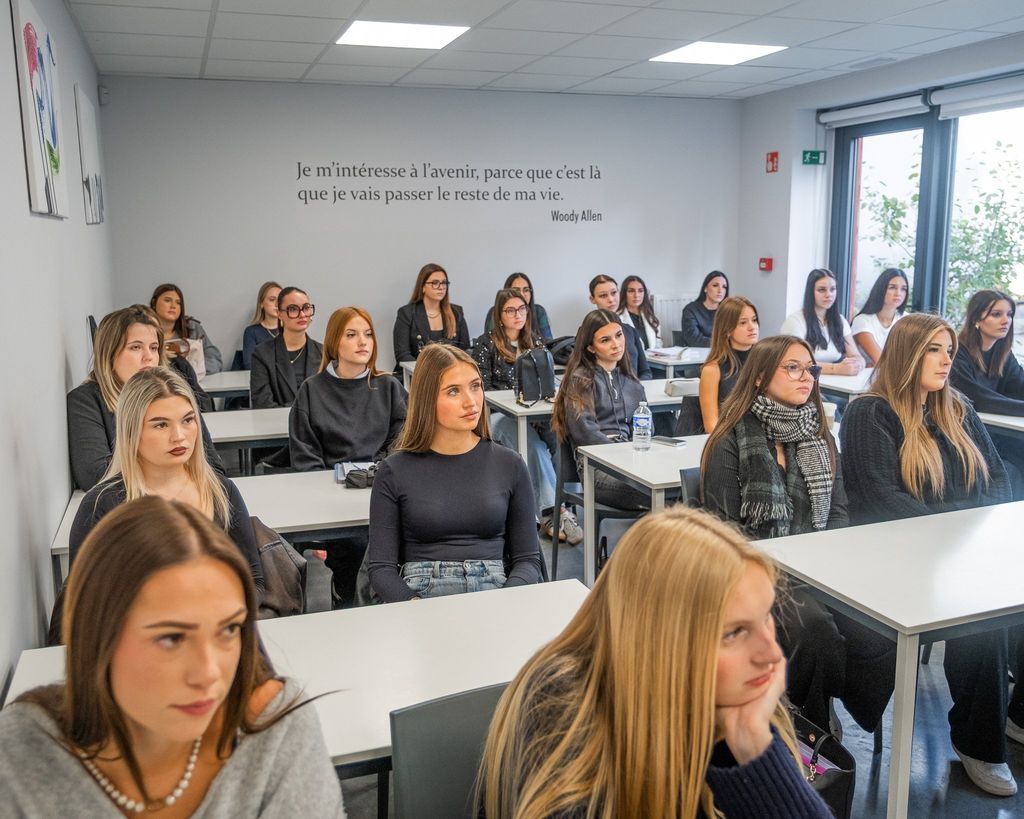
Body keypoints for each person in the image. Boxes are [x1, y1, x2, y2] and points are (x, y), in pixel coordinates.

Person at [478, 505, 832, 819]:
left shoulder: (741, 699)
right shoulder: (565, 712)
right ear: (661, 642)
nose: (772, 654)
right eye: (734, 633)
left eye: (766, 616)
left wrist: (753, 746)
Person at [0, 496, 345, 816]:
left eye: (228, 629)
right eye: (171, 638)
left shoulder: (279, 728)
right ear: (97, 635)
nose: (209, 673)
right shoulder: (21, 755)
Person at [842, 313, 1021, 796]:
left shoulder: (956, 408)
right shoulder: (870, 413)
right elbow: (884, 501)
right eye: (933, 351)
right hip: (898, 561)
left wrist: (965, 534)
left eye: (949, 351)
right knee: (985, 617)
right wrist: (964, 528)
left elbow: (998, 481)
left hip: (960, 555)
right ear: (906, 355)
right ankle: (981, 744)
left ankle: (1017, 716)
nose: (946, 361)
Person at [699, 336, 880, 734]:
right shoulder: (730, 439)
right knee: (815, 630)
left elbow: (838, 512)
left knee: (878, 634)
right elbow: (726, 533)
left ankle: (821, 692)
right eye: (792, 368)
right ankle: (810, 723)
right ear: (760, 377)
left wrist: (829, 563)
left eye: (810, 369)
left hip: (819, 567)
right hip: (755, 574)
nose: (806, 377)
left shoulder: (819, 435)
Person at [367, 344, 543, 603]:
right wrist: (415, 608)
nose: (470, 401)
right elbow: (381, 569)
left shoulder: (511, 464)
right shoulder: (394, 471)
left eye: (475, 386)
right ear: (427, 399)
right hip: (421, 597)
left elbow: (528, 560)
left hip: (495, 593)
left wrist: (503, 604)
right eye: (453, 391)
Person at [68, 367, 263, 599]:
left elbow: (254, 580)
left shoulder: (220, 491)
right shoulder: (101, 506)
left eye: (188, 420)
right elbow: (84, 603)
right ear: (131, 432)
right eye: (161, 425)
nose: (179, 436)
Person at [290, 307, 407, 607]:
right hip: (332, 496)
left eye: (368, 334)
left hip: (381, 487)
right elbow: (305, 455)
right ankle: (348, 602)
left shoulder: (389, 387)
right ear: (334, 342)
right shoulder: (312, 391)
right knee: (354, 547)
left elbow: (402, 440)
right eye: (352, 335)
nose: (363, 342)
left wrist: (378, 472)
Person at [67, 305, 223, 491]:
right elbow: (95, 475)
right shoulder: (86, 400)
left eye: (154, 348)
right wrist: (171, 473)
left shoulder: (172, 394)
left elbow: (212, 466)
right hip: (134, 504)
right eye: (135, 347)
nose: (148, 357)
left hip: (188, 496)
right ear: (109, 354)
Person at [473, 289, 579, 545]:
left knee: (560, 438)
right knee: (534, 446)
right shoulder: (486, 344)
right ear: (499, 316)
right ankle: (552, 512)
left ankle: (567, 504)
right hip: (498, 415)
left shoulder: (536, 342)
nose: (518, 315)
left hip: (534, 415)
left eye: (522, 309)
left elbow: (548, 381)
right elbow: (482, 388)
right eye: (510, 310)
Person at [551, 309, 649, 510]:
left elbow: (645, 428)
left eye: (619, 335)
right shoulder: (580, 380)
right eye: (605, 340)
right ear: (591, 347)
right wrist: (622, 454)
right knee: (659, 492)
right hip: (596, 467)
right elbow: (585, 433)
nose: (616, 344)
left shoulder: (632, 382)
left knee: (678, 485)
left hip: (631, 460)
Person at [951, 290, 1024, 496]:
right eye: (996, 314)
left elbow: (1019, 386)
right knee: (1013, 465)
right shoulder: (957, 352)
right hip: (965, 433)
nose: (1006, 320)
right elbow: (978, 399)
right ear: (976, 318)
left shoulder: (1003, 354)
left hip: (995, 431)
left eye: (1009, 314)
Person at [250, 286, 323, 409]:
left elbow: (329, 399)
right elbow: (262, 403)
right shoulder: (262, 354)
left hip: (316, 421)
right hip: (276, 420)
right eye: (293, 309)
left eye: (306, 308)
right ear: (279, 314)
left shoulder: (323, 352)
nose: (302, 315)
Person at [781, 269, 864, 376]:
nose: (828, 294)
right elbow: (795, 362)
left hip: (834, 381)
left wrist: (858, 363)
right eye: (821, 290)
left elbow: (855, 355)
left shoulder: (840, 320)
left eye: (832, 289)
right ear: (811, 293)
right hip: (802, 380)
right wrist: (836, 369)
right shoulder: (795, 321)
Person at [698, 296, 759, 432]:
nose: (752, 327)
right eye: (743, 323)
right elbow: (711, 426)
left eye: (754, 320)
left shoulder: (765, 363)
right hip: (729, 438)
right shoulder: (712, 370)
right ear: (727, 330)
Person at [392, 263, 471, 364]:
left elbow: (465, 351)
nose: (441, 287)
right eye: (435, 283)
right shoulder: (406, 313)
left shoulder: (456, 312)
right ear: (423, 287)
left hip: (450, 371)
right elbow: (402, 355)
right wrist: (428, 371)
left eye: (444, 283)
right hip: (416, 371)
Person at [150, 283, 223, 377]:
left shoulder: (193, 328)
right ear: (154, 303)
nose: (173, 306)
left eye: (178, 303)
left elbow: (215, 361)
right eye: (167, 300)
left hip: (193, 382)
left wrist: (188, 369)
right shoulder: (144, 330)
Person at [587, 275, 652, 379]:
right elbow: (585, 372)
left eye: (614, 293)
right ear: (592, 299)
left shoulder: (630, 330)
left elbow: (645, 371)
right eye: (603, 295)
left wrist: (638, 384)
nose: (611, 299)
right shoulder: (587, 332)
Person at [850, 268, 909, 365]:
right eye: (892, 287)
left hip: (895, 373)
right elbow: (881, 361)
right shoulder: (862, 321)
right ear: (881, 289)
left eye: (903, 289)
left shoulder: (906, 319)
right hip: (867, 375)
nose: (898, 293)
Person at [483, 272, 553, 341]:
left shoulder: (538, 311)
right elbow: (489, 341)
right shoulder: (494, 312)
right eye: (516, 290)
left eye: (526, 290)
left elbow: (549, 342)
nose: (522, 294)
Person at [681, 270, 728, 347]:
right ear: (705, 288)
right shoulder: (690, 310)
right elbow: (693, 339)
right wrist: (723, 344)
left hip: (725, 352)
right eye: (715, 285)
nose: (720, 291)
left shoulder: (728, 311)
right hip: (698, 353)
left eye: (724, 287)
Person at [241, 280, 281, 369]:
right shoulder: (252, 332)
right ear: (261, 303)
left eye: (280, 300)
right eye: (272, 300)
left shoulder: (291, 330)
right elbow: (249, 365)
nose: (277, 304)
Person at [615, 274, 661, 350]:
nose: (636, 295)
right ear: (624, 293)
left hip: (652, 357)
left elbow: (658, 344)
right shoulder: (617, 317)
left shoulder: (650, 317)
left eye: (640, 291)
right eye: (631, 291)